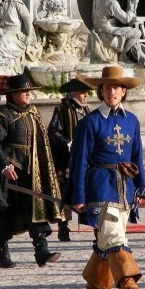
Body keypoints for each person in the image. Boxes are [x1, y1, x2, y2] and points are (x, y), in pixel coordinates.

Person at [64, 66, 145, 289]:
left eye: (117, 87)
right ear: (101, 91)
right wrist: (78, 196)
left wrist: (141, 186)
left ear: (124, 91)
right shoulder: (89, 123)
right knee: (114, 238)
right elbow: (78, 161)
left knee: (105, 243)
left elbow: (137, 156)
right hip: (100, 190)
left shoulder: (132, 120)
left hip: (124, 190)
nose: (112, 91)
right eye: (107, 87)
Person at [0, 73, 63, 268]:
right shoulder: (2, 116)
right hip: (9, 172)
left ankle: (41, 251)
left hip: (31, 172)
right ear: (12, 94)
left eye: (29, 91)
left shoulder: (33, 113)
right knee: (3, 212)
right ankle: (2, 252)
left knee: (35, 208)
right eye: (23, 91)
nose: (28, 94)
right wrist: (4, 165)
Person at [48, 76, 93, 242]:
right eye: (83, 93)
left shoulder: (87, 110)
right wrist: (68, 143)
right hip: (67, 160)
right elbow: (53, 132)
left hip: (86, 159)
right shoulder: (61, 109)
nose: (86, 96)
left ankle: (91, 223)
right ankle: (63, 228)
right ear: (73, 93)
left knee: (86, 191)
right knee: (65, 193)